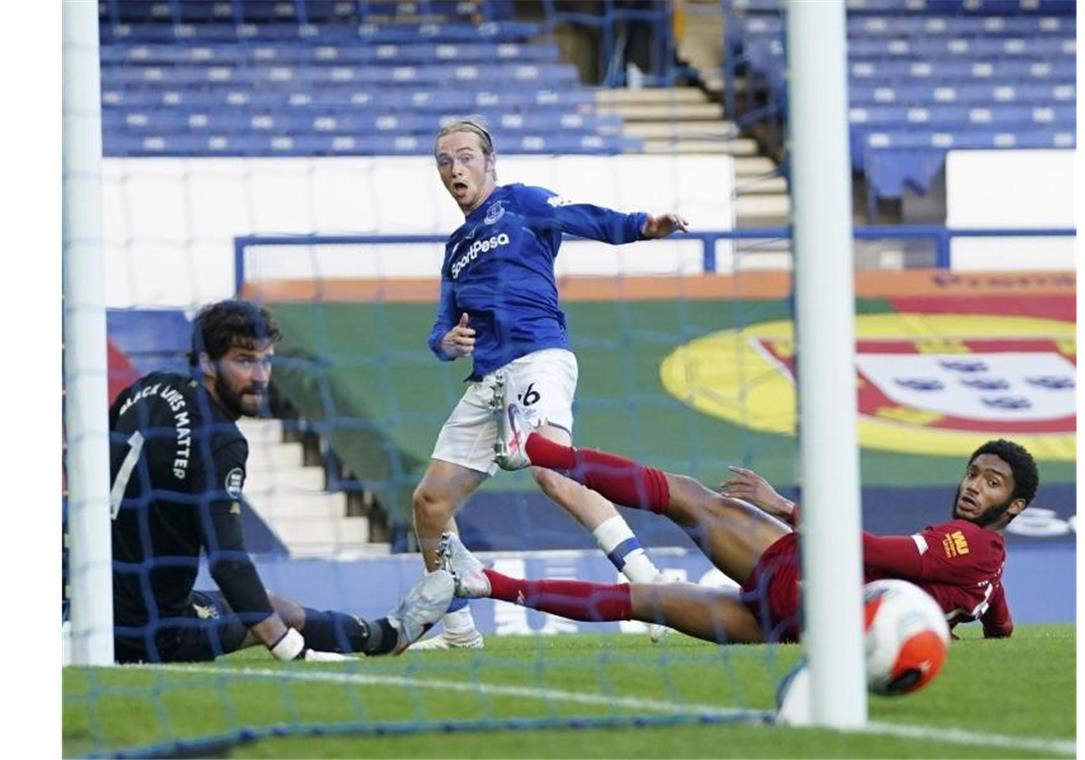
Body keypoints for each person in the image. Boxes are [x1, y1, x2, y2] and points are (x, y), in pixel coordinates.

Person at [410, 115, 691, 649]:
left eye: (466, 156)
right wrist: (444, 344)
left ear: (490, 163)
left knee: (551, 467)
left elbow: (583, 217)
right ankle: (458, 631)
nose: (455, 169)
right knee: (429, 504)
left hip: (537, 357)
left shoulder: (523, 202)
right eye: (445, 161)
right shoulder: (455, 248)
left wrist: (642, 226)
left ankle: (650, 586)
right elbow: (440, 326)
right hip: (488, 381)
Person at [438, 399, 1038, 645]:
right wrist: (999, 633)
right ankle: (487, 584)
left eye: (991, 483)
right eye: (974, 472)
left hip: (802, 577)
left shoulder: (970, 544)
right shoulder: (986, 565)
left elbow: (882, 553)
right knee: (643, 601)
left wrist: (786, 509)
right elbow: (991, 602)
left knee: (689, 497)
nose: (972, 486)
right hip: (798, 629)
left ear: (1013, 508)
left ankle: (538, 451)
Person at [108, 299, 454, 663]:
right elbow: (227, 561)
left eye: (266, 360)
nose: (260, 376)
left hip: (98, 604)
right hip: (155, 633)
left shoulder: (148, 388)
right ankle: (382, 635)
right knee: (266, 613)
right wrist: (290, 650)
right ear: (207, 361)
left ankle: (385, 634)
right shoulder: (220, 439)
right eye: (244, 360)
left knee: (271, 603)